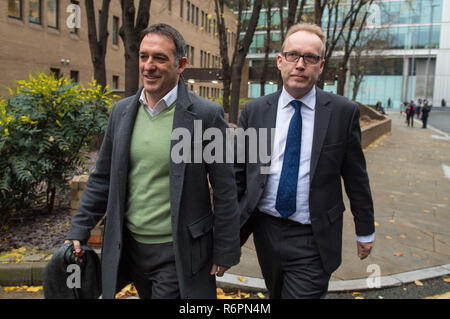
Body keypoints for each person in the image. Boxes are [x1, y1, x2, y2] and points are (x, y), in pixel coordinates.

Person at [64, 23, 240, 299]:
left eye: (159, 58)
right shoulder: (122, 112)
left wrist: (226, 247)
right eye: (144, 56)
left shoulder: (206, 115)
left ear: (180, 64)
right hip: (128, 247)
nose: (149, 65)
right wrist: (79, 229)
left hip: (178, 251)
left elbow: (225, 187)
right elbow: (103, 177)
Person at [235, 23, 374, 299]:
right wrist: (227, 230)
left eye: (310, 58)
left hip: (314, 236)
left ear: (320, 66)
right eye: (293, 55)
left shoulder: (342, 113)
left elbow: (356, 176)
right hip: (265, 231)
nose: (300, 64)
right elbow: (239, 175)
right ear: (280, 61)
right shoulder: (255, 112)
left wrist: (365, 229)